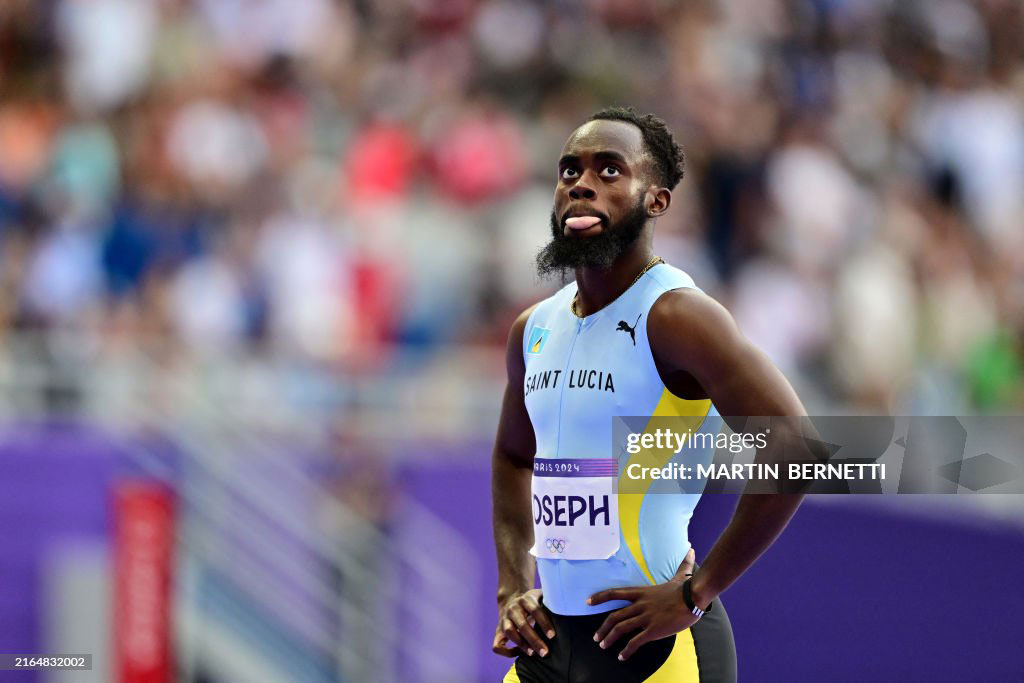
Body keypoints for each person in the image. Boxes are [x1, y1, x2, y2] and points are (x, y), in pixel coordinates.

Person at [491, 107, 808, 682]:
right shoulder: (533, 328)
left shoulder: (679, 317)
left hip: (654, 649)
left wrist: (697, 591)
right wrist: (514, 583)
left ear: (656, 200)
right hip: (548, 650)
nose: (580, 184)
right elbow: (514, 456)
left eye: (609, 170)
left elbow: (797, 448)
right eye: (569, 172)